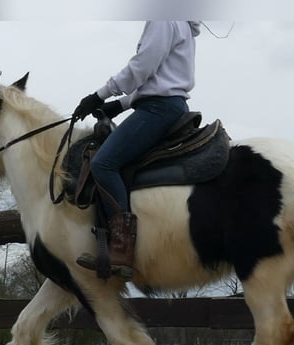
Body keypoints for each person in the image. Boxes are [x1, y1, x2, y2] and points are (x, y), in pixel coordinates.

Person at [73, 20, 202, 279]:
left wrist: (99, 95)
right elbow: (158, 75)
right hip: (166, 105)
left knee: (103, 164)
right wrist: (119, 105)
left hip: (158, 109)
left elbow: (142, 66)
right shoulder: (180, 19)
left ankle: (122, 250)